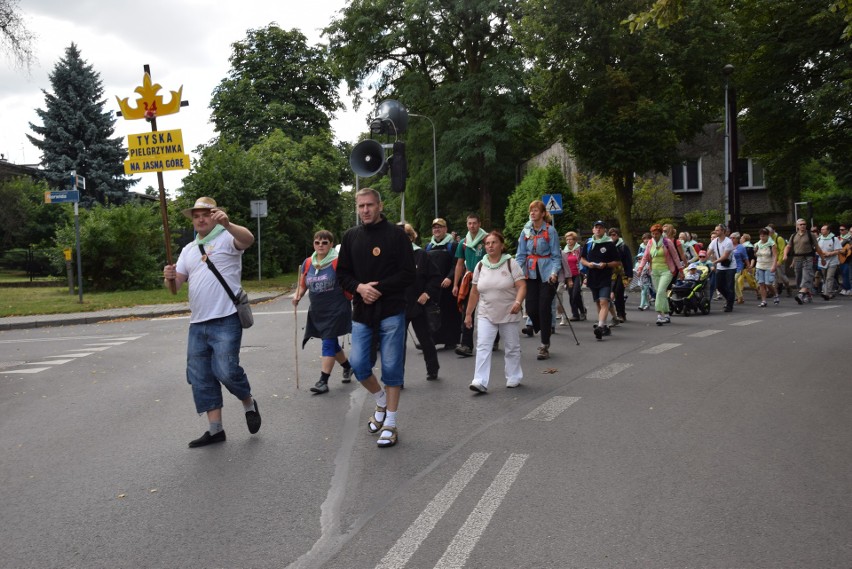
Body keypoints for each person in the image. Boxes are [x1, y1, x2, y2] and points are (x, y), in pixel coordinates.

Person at [163, 196, 261, 448]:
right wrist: (169, 277)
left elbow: (248, 239)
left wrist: (228, 224)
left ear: (216, 215)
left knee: (226, 371)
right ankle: (215, 430)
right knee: (201, 376)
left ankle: (248, 402)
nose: (200, 219)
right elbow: (174, 289)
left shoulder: (227, 237)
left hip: (226, 318)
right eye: (196, 216)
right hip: (198, 324)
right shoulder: (188, 250)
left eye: (205, 214)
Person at [336, 188, 415, 448]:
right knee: (358, 365)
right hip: (361, 311)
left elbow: (407, 275)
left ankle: (390, 423)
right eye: (361, 206)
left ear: (380, 206)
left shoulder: (397, 236)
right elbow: (343, 274)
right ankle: (380, 400)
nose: (365, 210)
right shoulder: (350, 237)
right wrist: (360, 288)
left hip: (391, 310)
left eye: (370, 205)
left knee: (392, 367)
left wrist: (377, 288)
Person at [465, 231, 527, 393]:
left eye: (494, 242)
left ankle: (513, 376)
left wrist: (518, 302)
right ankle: (480, 380)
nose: (490, 246)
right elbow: (474, 292)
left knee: (512, 347)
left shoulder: (511, 263)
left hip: (509, 312)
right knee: (483, 346)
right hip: (486, 312)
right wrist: (468, 314)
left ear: (502, 245)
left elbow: (522, 286)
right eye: (487, 243)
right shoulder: (480, 265)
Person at [293, 230, 353, 395]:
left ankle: (323, 381)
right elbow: (303, 284)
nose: (320, 245)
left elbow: (349, 280)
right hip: (318, 310)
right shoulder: (308, 263)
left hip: (336, 308)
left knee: (327, 341)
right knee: (331, 342)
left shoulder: (337, 262)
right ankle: (348, 367)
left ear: (331, 244)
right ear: (313, 244)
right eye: (317, 242)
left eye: (325, 242)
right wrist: (298, 295)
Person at [516, 200, 561, 358]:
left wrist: (554, 273)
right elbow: (520, 255)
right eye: (531, 211)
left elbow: (556, 256)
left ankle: (544, 344)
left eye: (536, 210)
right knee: (531, 308)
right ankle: (543, 327)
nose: (532, 213)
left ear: (543, 214)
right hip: (530, 273)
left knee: (544, 307)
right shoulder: (526, 231)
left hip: (547, 274)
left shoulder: (550, 231)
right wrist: (515, 272)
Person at [400, 223, 441, 380]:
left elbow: (435, 278)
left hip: (419, 305)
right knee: (398, 345)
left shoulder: (422, 255)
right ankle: (398, 377)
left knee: (425, 339)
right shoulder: (392, 258)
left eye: (404, 237)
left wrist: (427, 293)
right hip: (399, 306)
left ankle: (433, 368)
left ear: (411, 237)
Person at [452, 213, 489, 357]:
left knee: (490, 309)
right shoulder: (464, 242)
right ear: (467, 225)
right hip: (470, 278)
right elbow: (459, 264)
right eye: (469, 223)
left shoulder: (486, 240)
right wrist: (456, 284)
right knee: (467, 310)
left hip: (486, 278)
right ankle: (466, 345)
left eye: (474, 223)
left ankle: (495, 338)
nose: (472, 226)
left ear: (479, 224)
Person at [580, 220, 622, 339]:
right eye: (596, 227)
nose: (598, 229)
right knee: (598, 302)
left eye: (600, 228)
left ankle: (600, 326)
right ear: (593, 229)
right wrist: (588, 264)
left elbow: (618, 261)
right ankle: (604, 327)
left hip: (605, 276)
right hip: (592, 275)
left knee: (604, 301)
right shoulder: (589, 243)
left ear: (604, 230)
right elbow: (582, 259)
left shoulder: (609, 244)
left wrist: (606, 264)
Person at [424, 218, 461, 349]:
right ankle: (432, 339)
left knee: (450, 313)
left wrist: (450, 278)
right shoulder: (428, 247)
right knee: (433, 313)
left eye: (439, 227)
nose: (437, 230)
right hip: (434, 287)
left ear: (445, 229)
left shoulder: (453, 245)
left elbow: (456, 264)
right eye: (434, 227)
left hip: (449, 286)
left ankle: (451, 340)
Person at [635, 223, 681, 326]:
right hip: (654, 271)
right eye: (653, 234)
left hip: (667, 271)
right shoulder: (650, 243)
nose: (654, 236)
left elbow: (676, 257)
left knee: (660, 292)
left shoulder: (667, 242)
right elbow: (645, 257)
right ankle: (667, 314)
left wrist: (681, 270)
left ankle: (660, 315)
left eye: (656, 234)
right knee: (660, 293)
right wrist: (640, 268)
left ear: (660, 233)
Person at [783, 218, 825, 305]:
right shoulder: (794, 235)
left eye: (804, 224)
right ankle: (807, 294)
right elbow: (788, 246)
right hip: (797, 258)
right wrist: (785, 255)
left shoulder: (810, 235)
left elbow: (817, 247)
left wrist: (823, 258)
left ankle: (801, 295)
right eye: (801, 224)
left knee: (807, 276)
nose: (803, 226)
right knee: (798, 277)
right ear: (797, 226)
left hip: (808, 257)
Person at [607, 227, 633, 323]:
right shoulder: (608, 246)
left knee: (618, 292)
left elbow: (628, 261)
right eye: (610, 235)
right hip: (611, 273)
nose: (612, 237)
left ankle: (621, 314)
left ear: (618, 235)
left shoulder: (623, 246)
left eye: (614, 235)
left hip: (622, 274)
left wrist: (629, 275)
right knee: (610, 293)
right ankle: (615, 314)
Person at [708, 224, 736, 312]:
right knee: (719, 285)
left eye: (718, 230)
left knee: (730, 286)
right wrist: (702, 259)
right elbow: (708, 252)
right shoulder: (714, 241)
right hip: (720, 266)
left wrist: (714, 262)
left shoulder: (728, 242)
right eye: (715, 230)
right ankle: (729, 299)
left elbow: (725, 256)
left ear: (723, 231)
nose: (716, 232)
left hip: (730, 266)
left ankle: (729, 305)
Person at [562, 231, 586, 321]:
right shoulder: (564, 251)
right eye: (567, 239)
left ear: (575, 240)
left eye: (570, 239)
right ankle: (575, 314)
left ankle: (582, 311)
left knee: (576, 293)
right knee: (571, 294)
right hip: (568, 275)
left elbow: (583, 261)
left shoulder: (580, 249)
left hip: (578, 274)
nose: (568, 241)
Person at [754, 227, 779, 307]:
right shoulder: (758, 244)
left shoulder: (772, 244)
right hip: (759, 265)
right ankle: (764, 301)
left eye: (764, 236)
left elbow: (775, 256)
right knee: (761, 283)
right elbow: (755, 255)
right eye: (761, 236)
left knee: (768, 283)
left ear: (768, 236)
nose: (762, 238)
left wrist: (774, 265)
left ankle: (775, 294)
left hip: (769, 265)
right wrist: (755, 251)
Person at [816, 224, 842, 300]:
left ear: (828, 230)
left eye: (824, 229)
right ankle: (828, 292)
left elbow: (838, 250)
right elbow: (816, 250)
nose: (822, 231)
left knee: (829, 277)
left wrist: (830, 253)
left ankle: (827, 293)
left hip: (832, 261)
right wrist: (822, 253)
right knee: (824, 277)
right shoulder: (818, 239)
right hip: (822, 261)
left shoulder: (834, 239)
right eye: (821, 229)